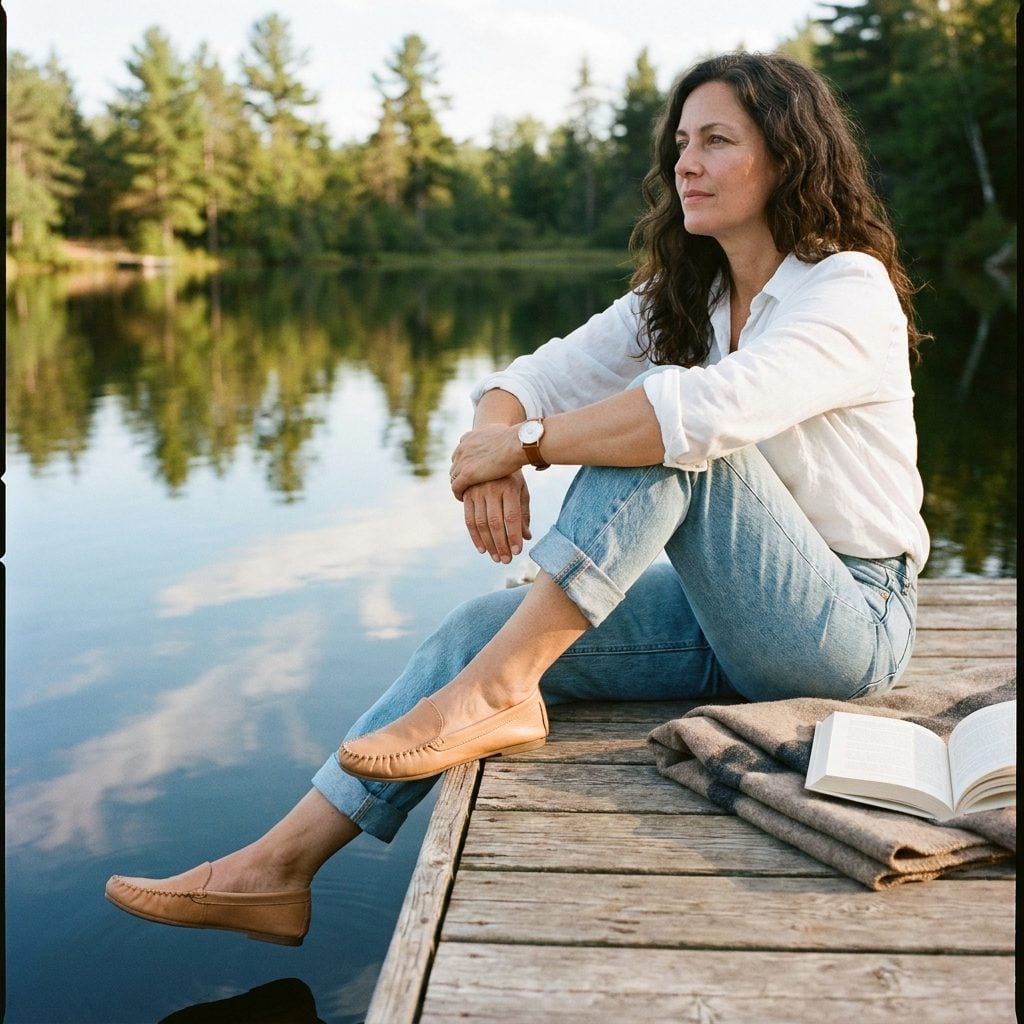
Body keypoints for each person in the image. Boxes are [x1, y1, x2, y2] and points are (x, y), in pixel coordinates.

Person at [105, 51, 928, 946]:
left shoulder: (846, 287)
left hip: (847, 626)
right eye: (682, 142)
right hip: (731, 616)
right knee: (474, 627)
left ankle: (501, 690)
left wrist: (528, 445)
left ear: (787, 158)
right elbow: (535, 376)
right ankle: (277, 869)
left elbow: (697, 416)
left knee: (678, 428)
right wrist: (497, 446)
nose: (685, 163)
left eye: (717, 141)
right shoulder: (694, 294)